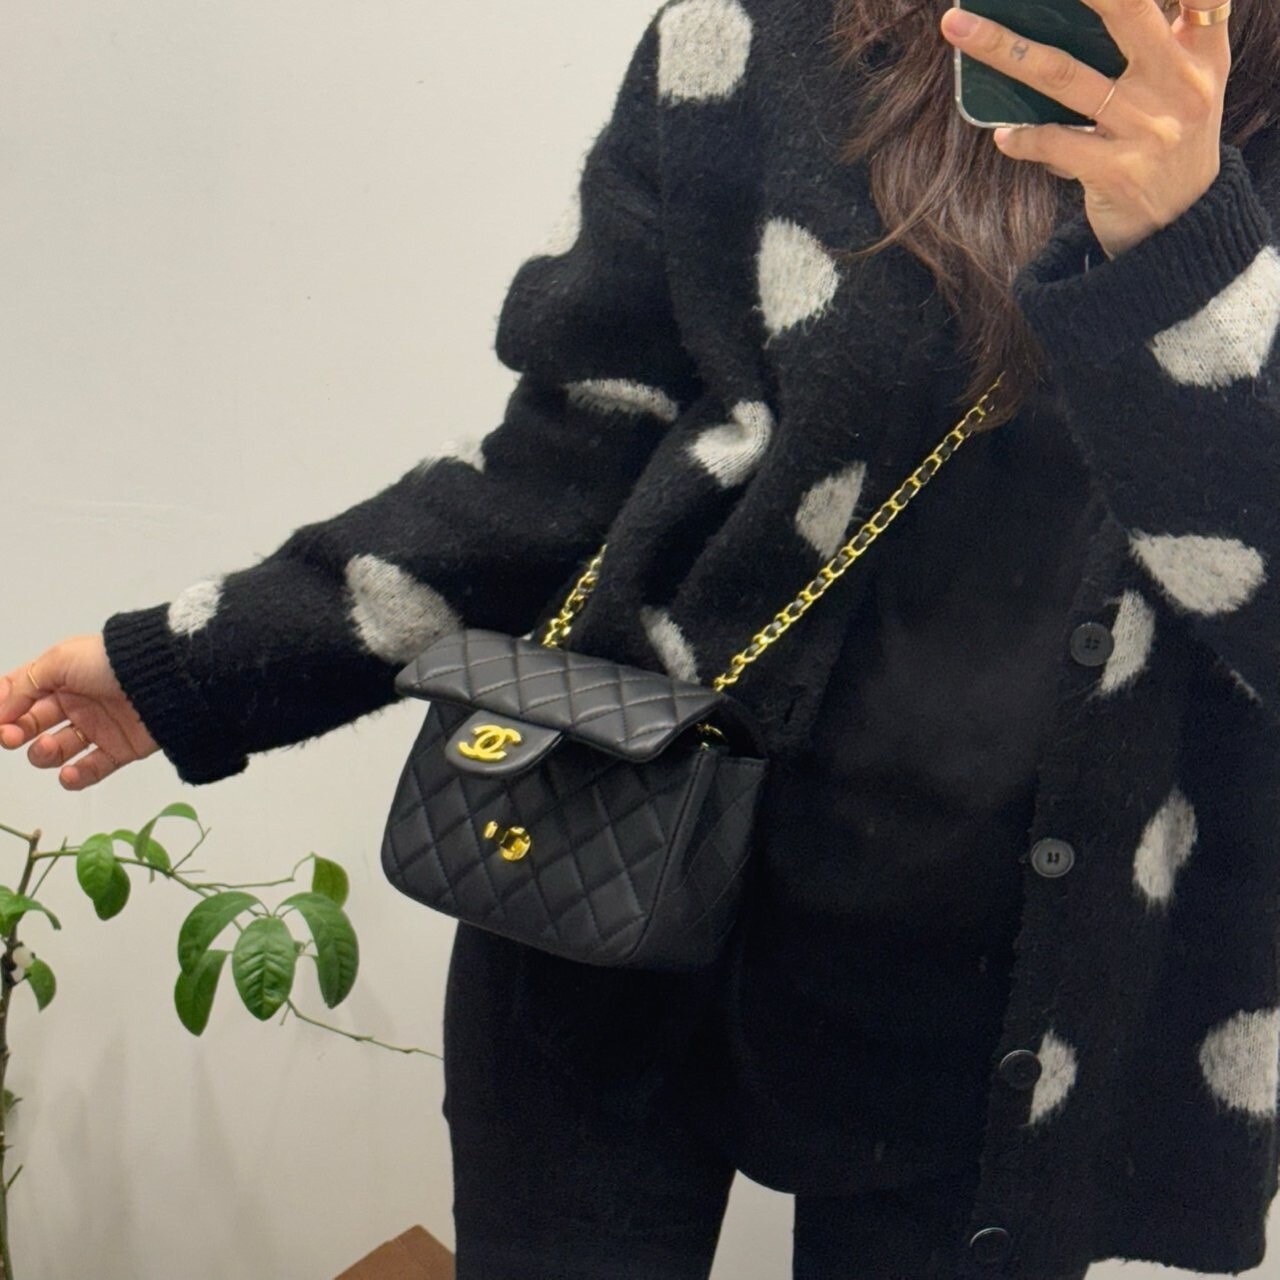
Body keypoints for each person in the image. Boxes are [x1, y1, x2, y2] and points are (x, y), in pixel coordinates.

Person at [3, 1, 1279, 1277]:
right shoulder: (764, 41)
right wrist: (196, 661)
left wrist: (1186, 242)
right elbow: (567, 460)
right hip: (602, 881)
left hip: (1006, 997)